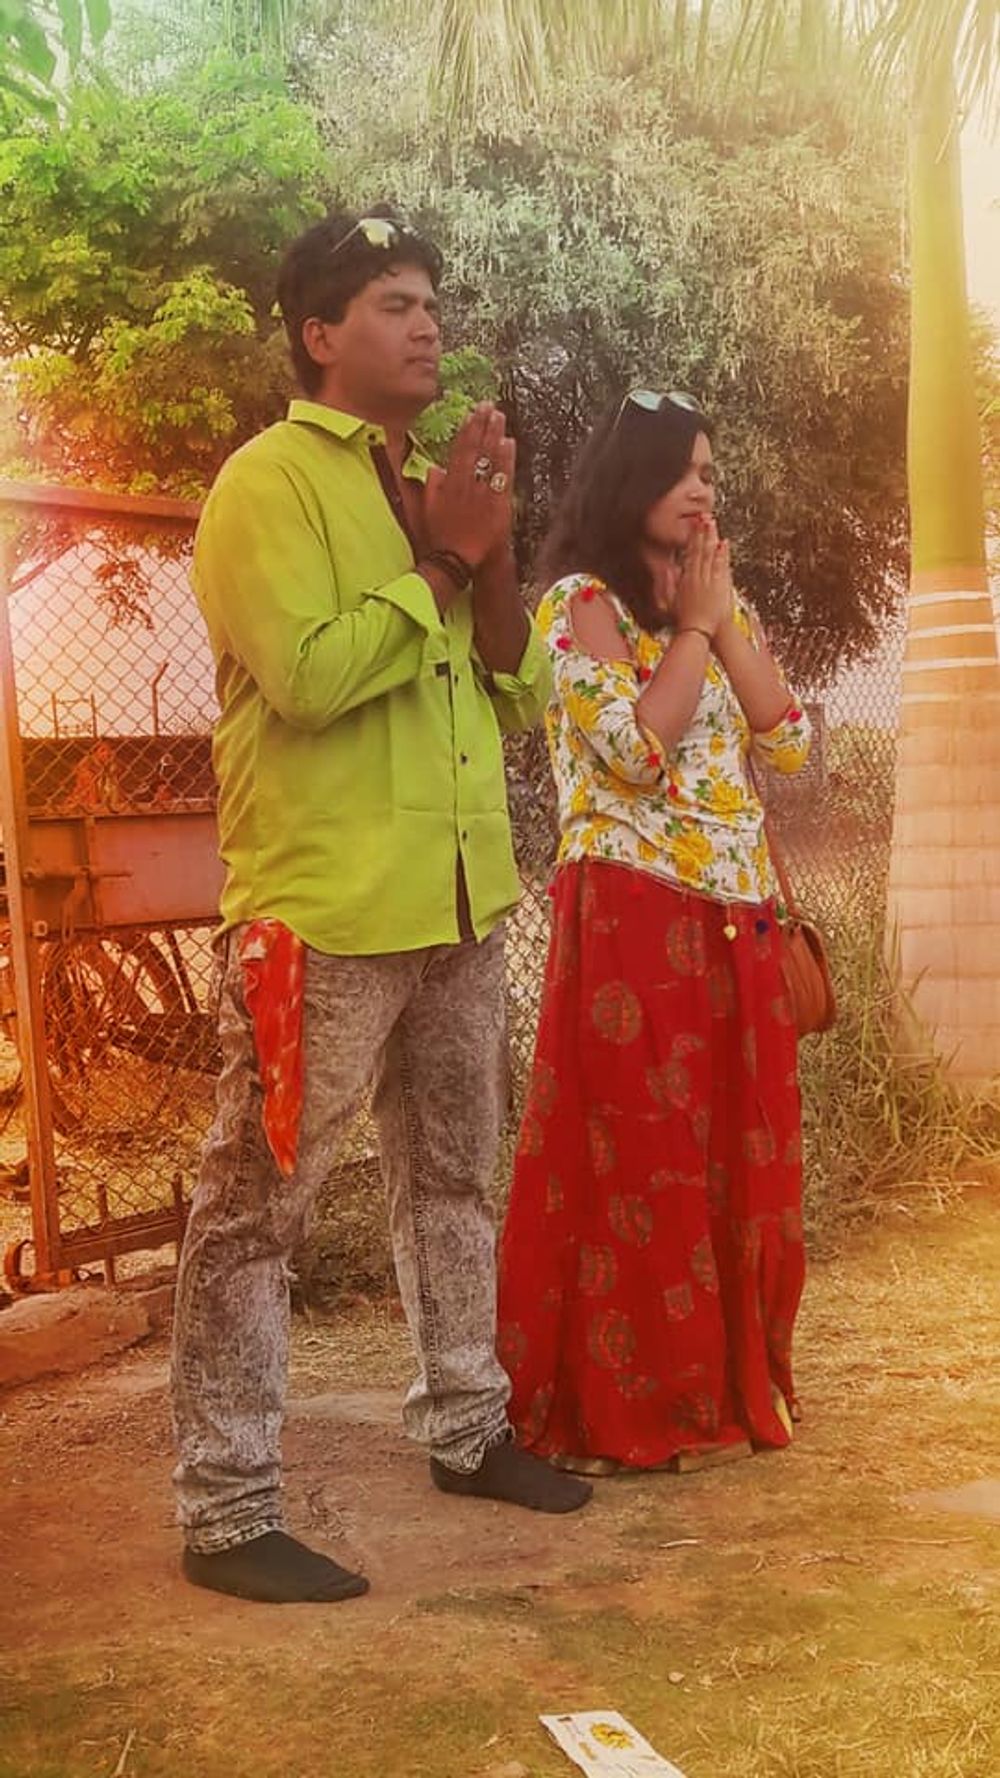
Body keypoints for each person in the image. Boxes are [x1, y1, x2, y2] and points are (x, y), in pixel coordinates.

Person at [171, 209, 591, 1609]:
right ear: (318, 334)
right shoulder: (264, 485)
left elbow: (516, 692)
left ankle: (467, 1426)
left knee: (455, 1177)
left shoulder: (428, 489)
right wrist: (443, 563)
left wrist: (489, 551)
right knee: (258, 1207)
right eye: (392, 303)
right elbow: (305, 675)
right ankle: (226, 1505)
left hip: (458, 897)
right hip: (324, 912)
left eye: (430, 300)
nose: (426, 323)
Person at [497, 388, 812, 1475]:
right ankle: (642, 1405)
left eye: (710, 473)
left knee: (739, 1153)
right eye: (684, 471)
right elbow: (635, 753)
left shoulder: (718, 599)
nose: (701, 490)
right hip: (634, 908)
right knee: (643, 1159)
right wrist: (693, 632)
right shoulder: (577, 605)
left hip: (738, 911)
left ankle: (729, 1387)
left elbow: (787, 742)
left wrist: (719, 621)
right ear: (632, 479)